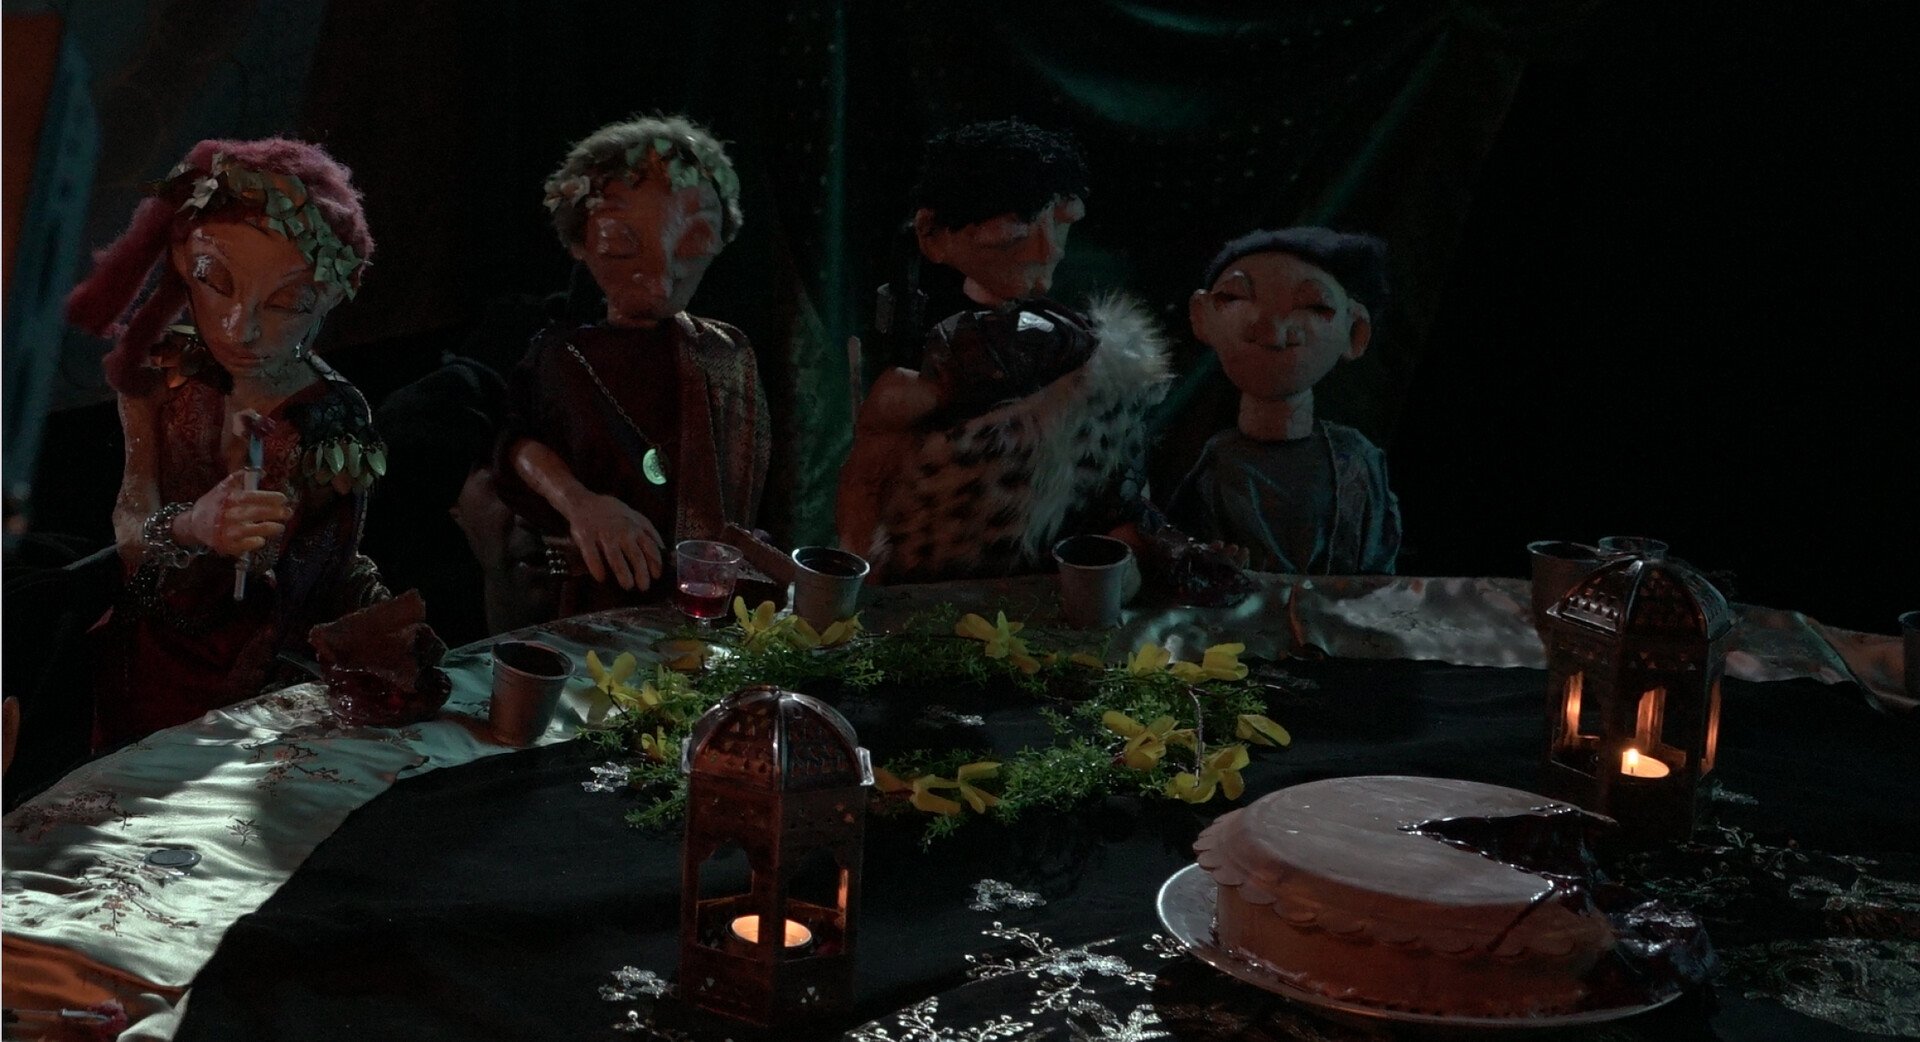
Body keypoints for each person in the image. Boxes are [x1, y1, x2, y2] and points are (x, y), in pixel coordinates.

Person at [838, 120, 1250, 602]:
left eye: (1061, 223)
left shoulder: (1085, 351)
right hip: (939, 587)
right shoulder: (927, 373)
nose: (1049, 248)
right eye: (1013, 232)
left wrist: (1152, 548)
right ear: (933, 235)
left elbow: (1115, 493)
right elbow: (866, 483)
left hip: (1058, 582)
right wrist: (860, 573)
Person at [64, 138, 387, 750]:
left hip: (266, 680)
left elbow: (335, 565)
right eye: (215, 280)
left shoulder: (334, 417)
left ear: (332, 293)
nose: (242, 327)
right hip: (149, 656)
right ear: (182, 260)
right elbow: (129, 526)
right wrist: (193, 525)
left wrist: (383, 623)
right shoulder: (162, 374)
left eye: (288, 301)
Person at [490, 114, 769, 625]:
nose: (662, 277)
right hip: (589, 603)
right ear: (580, 242)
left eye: (694, 240)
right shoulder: (561, 355)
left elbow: (752, 479)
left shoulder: (726, 353)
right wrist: (581, 503)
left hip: (708, 599)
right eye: (620, 241)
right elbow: (515, 445)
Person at [1168, 227, 1402, 575]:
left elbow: (1377, 573)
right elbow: (1184, 554)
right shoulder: (1217, 462)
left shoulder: (1356, 460)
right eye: (1234, 297)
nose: (1273, 332)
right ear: (1202, 317)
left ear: (1356, 331)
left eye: (1315, 306)